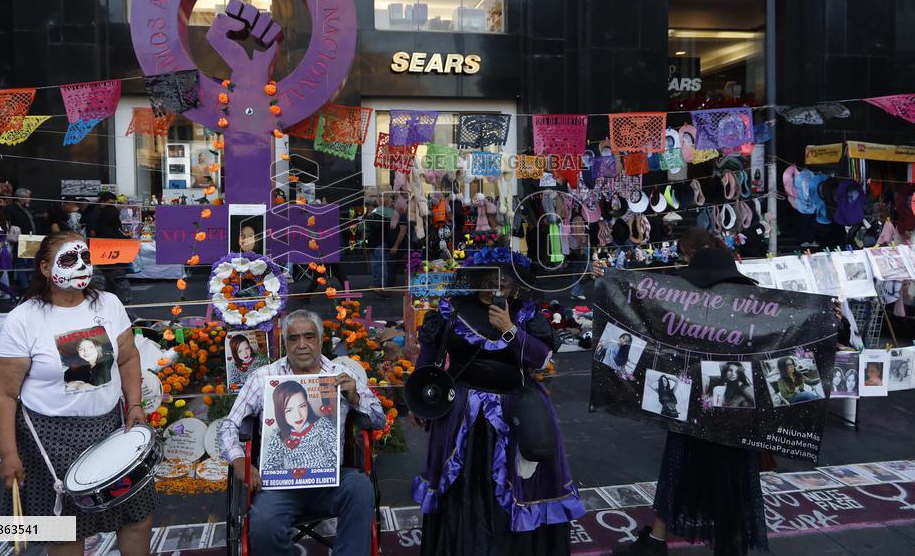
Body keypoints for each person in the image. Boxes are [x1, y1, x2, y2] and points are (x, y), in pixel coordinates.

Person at [0, 232, 155, 555]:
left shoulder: (109, 304)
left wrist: (134, 403)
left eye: (85, 258)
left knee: (136, 515)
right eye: (69, 259)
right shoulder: (24, 319)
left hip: (111, 429)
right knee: (66, 532)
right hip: (52, 440)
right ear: (46, 268)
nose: (81, 265)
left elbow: (128, 356)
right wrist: (8, 455)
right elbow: (2, 393)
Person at [413, 246, 584, 555]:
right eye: (492, 276)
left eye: (506, 278)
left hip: (514, 414)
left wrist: (509, 330)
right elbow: (427, 360)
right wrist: (419, 401)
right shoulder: (451, 309)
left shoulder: (526, 313)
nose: (499, 283)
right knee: (461, 488)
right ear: (476, 278)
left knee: (514, 486)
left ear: (516, 282)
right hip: (460, 415)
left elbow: (541, 359)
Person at [615, 228, 766, 556]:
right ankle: (681, 541)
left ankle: (663, 541)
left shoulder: (725, 305)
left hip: (709, 407)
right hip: (727, 409)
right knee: (719, 475)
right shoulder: (747, 304)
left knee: (685, 469)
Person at [218, 309, 386, 555]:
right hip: (280, 485)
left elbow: (378, 418)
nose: (302, 345)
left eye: (309, 337)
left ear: (320, 340)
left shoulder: (340, 375)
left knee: (361, 488)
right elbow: (229, 425)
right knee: (264, 524)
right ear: (285, 343)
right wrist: (238, 459)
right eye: (294, 338)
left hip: (331, 479)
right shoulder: (264, 377)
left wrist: (355, 397)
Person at [261, 380, 338, 471]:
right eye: (289, 410)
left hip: (325, 479)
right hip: (296, 481)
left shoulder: (322, 425)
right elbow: (272, 466)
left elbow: (336, 456)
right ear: (280, 412)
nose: (298, 416)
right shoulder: (278, 435)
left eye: (302, 406)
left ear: (307, 404)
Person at [93, 191, 132, 305]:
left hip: (103, 262)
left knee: (107, 288)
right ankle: (126, 313)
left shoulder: (101, 228)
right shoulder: (114, 231)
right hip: (116, 263)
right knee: (121, 288)